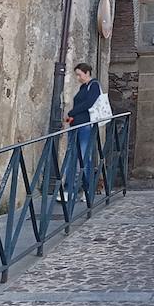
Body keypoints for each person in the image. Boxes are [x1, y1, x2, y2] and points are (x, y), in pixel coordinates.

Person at [64, 62, 102, 202]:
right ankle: (69, 190)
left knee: (85, 158)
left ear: (87, 73)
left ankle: (88, 190)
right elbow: (80, 104)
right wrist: (72, 116)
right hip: (75, 125)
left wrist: (71, 112)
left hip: (85, 126)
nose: (78, 78)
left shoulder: (94, 86)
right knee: (71, 157)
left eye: (79, 74)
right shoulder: (82, 87)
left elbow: (89, 104)